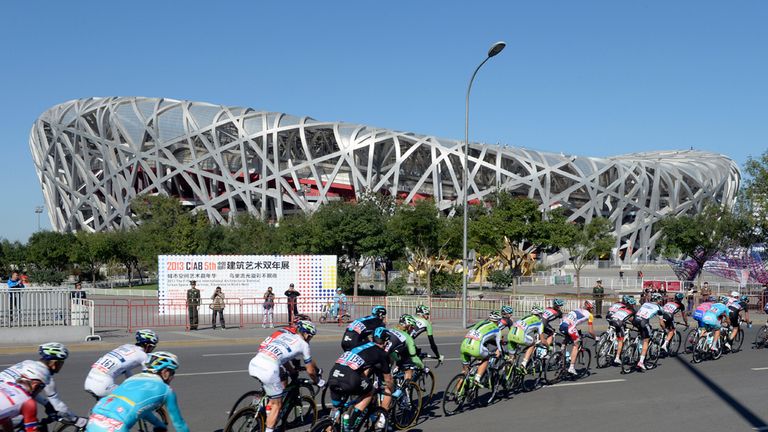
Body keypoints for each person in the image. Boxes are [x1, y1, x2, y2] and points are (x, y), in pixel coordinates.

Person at [248, 321, 323, 432]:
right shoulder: (304, 345)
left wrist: (291, 370)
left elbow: (282, 358)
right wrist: (318, 381)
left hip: (254, 363)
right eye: (311, 336)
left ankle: (263, 409)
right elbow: (310, 371)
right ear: (307, 335)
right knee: (277, 405)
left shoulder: (284, 335)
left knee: (273, 393)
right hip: (269, 370)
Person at [86, 351, 189, 432]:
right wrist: (160, 426)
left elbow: (141, 409)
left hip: (94, 417)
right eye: (172, 373)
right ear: (165, 373)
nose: (172, 377)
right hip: (115, 426)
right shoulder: (167, 390)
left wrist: (159, 425)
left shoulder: (132, 379)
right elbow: (179, 424)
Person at [327, 327, 396, 432]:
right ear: (386, 341)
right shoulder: (382, 354)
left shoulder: (360, 345)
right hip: (349, 378)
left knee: (337, 409)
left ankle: (329, 426)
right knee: (370, 391)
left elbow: (362, 367)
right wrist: (392, 389)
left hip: (333, 374)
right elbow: (388, 380)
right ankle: (351, 422)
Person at [0, 342, 76, 422]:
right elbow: (58, 405)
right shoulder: (44, 376)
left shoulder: (27, 363)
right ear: (54, 363)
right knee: (29, 420)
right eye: (61, 363)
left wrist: (46, 404)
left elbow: (25, 391)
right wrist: (75, 419)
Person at [84, 329, 158, 398]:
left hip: (90, 378)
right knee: (134, 399)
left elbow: (126, 370)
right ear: (148, 345)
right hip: (103, 384)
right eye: (153, 347)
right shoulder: (143, 355)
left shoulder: (125, 346)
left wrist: (132, 382)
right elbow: (149, 376)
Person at [0, 362, 50, 432]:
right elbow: (31, 430)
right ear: (35, 385)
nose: (40, 391)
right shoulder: (28, 402)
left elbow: (6, 419)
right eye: (41, 387)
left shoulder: (6, 384)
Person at [459, 311, 502, 388]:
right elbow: (499, 346)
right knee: (486, 359)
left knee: (465, 372)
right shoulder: (497, 329)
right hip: (475, 348)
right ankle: (477, 379)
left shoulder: (480, 323)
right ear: (498, 321)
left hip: (464, 345)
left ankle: (457, 393)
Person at [559, 300, 596, 375]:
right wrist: (595, 337)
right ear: (591, 308)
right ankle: (571, 367)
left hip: (562, 324)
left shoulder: (577, 309)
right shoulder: (590, 315)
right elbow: (590, 331)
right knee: (577, 344)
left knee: (567, 339)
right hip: (570, 327)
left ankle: (560, 356)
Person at [387, 315, 424, 381]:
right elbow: (414, 358)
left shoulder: (391, 329)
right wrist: (422, 367)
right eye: (412, 327)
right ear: (408, 326)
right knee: (409, 367)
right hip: (389, 353)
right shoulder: (408, 338)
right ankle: (406, 387)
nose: (413, 329)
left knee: (394, 357)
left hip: (384, 351)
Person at [633, 293, 664, 370]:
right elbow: (661, 322)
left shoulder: (645, 303)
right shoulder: (659, 308)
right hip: (643, 322)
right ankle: (641, 361)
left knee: (642, 333)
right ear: (658, 300)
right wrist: (664, 329)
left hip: (635, 320)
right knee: (646, 340)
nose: (660, 301)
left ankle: (637, 346)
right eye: (660, 299)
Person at [607, 295, 637, 366]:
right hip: (618, 322)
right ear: (632, 304)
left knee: (617, 333)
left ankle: (612, 343)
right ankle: (617, 357)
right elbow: (633, 321)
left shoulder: (622, 307)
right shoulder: (632, 311)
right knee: (621, 340)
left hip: (612, 319)